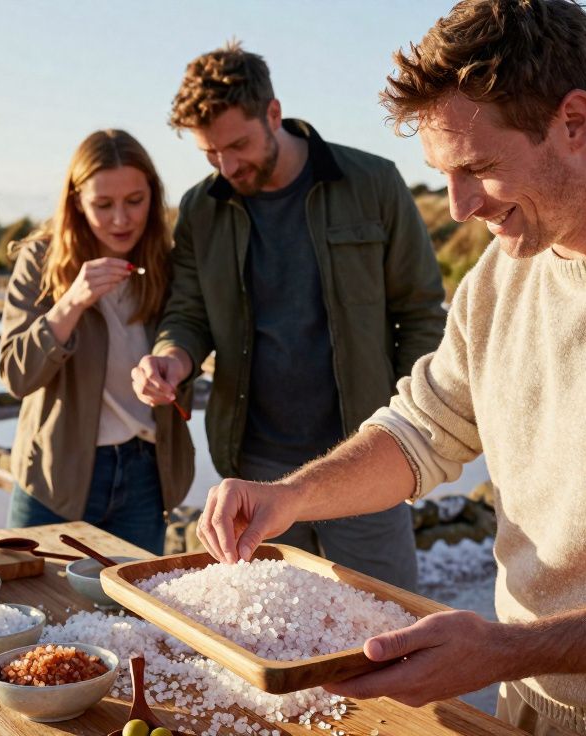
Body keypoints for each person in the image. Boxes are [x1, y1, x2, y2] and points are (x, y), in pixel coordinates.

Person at [195, 2, 586, 734]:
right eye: (443, 174)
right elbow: (423, 429)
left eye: (479, 168)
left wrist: (506, 649)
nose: (461, 205)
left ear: (573, 121)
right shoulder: (505, 273)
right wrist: (291, 496)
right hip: (522, 713)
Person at [131, 42, 447, 590]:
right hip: (253, 469)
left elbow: (420, 314)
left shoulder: (373, 184)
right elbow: (188, 313)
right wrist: (171, 359)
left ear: (273, 114)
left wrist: (405, 422)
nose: (227, 167)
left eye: (238, 145)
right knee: (268, 641)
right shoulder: (202, 209)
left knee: (386, 632)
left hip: (363, 459)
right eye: (211, 154)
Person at [0, 129, 194, 555]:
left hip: (146, 475)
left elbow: (190, 336)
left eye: (135, 201)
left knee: (133, 615)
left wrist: (174, 367)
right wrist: (71, 303)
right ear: (75, 202)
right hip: (54, 476)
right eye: (103, 205)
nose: (121, 219)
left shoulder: (169, 264)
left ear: (154, 195)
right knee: (35, 610)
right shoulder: (40, 260)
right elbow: (15, 374)